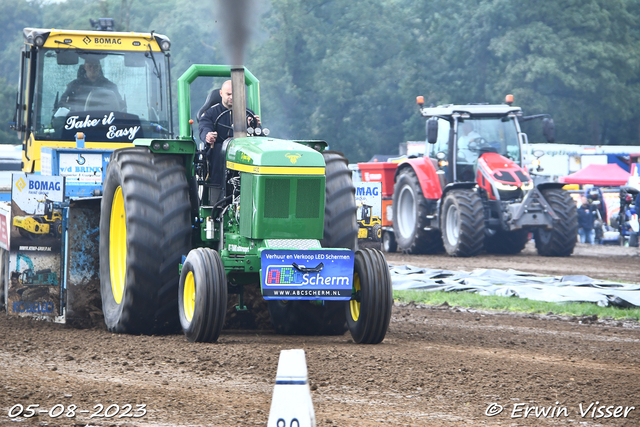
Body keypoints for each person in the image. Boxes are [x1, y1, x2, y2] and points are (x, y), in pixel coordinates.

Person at [198, 80, 260, 191]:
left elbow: (257, 136)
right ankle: (217, 189)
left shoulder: (248, 114)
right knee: (217, 149)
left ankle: (251, 187)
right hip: (220, 152)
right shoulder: (210, 113)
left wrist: (254, 126)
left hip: (243, 151)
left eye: (234, 95)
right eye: (228, 94)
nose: (231, 97)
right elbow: (204, 127)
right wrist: (208, 136)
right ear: (221, 94)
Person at [59, 57, 124, 112]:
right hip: (77, 123)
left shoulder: (110, 86)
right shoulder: (74, 86)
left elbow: (120, 107)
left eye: (95, 66)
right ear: (85, 67)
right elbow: (62, 106)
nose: (92, 69)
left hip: (105, 123)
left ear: (99, 67)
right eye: (90, 66)